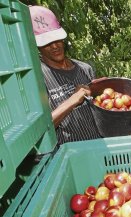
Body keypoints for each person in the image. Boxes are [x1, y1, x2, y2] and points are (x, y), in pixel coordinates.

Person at [29, 6, 102, 145]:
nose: (55, 46)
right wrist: (74, 99)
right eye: (47, 43)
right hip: (67, 156)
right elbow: (42, 128)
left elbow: (99, 111)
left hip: (96, 148)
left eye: (57, 39)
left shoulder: (84, 69)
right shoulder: (38, 78)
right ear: (36, 45)